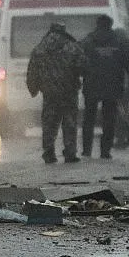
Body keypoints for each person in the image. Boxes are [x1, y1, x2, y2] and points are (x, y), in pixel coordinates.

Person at [81, 14, 129, 159]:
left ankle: (86, 150)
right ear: (110, 24)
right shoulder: (119, 41)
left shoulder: (87, 41)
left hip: (91, 85)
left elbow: (78, 61)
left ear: (97, 24)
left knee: (89, 118)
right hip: (113, 86)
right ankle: (105, 151)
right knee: (109, 119)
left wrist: (81, 76)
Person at [26, 22, 86, 164]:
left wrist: (33, 88)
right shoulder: (72, 47)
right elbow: (83, 66)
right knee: (69, 122)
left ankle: (48, 152)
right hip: (69, 92)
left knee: (49, 123)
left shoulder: (40, 48)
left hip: (49, 92)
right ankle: (70, 153)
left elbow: (32, 71)